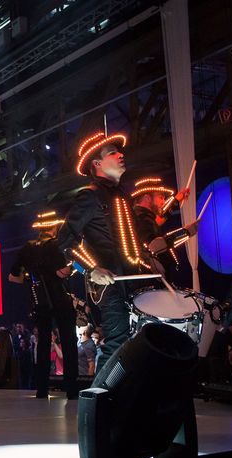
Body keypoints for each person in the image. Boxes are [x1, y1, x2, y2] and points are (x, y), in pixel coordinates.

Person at [55, 131, 144, 371]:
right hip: (109, 285)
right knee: (117, 342)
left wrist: (147, 260)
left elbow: (130, 242)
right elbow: (64, 242)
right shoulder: (90, 196)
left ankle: (120, 391)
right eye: (112, 153)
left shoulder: (121, 197)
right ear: (96, 163)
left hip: (132, 281)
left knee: (132, 344)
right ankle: (99, 393)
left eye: (119, 151)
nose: (120, 155)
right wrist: (90, 269)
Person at [9, 210, 78, 398]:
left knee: (43, 344)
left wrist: (32, 278)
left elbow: (12, 276)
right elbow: (61, 272)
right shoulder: (56, 245)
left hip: (39, 300)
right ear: (54, 227)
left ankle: (42, 389)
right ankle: (71, 389)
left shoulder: (27, 248)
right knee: (68, 342)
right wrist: (73, 267)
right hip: (59, 298)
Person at [130, 177, 197, 275]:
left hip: (154, 273)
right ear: (147, 198)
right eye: (161, 197)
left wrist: (176, 200)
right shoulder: (142, 219)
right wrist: (185, 232)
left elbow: (161, 217)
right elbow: (155, 245)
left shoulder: (143, 216)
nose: (164, 202)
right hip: (153, 275)